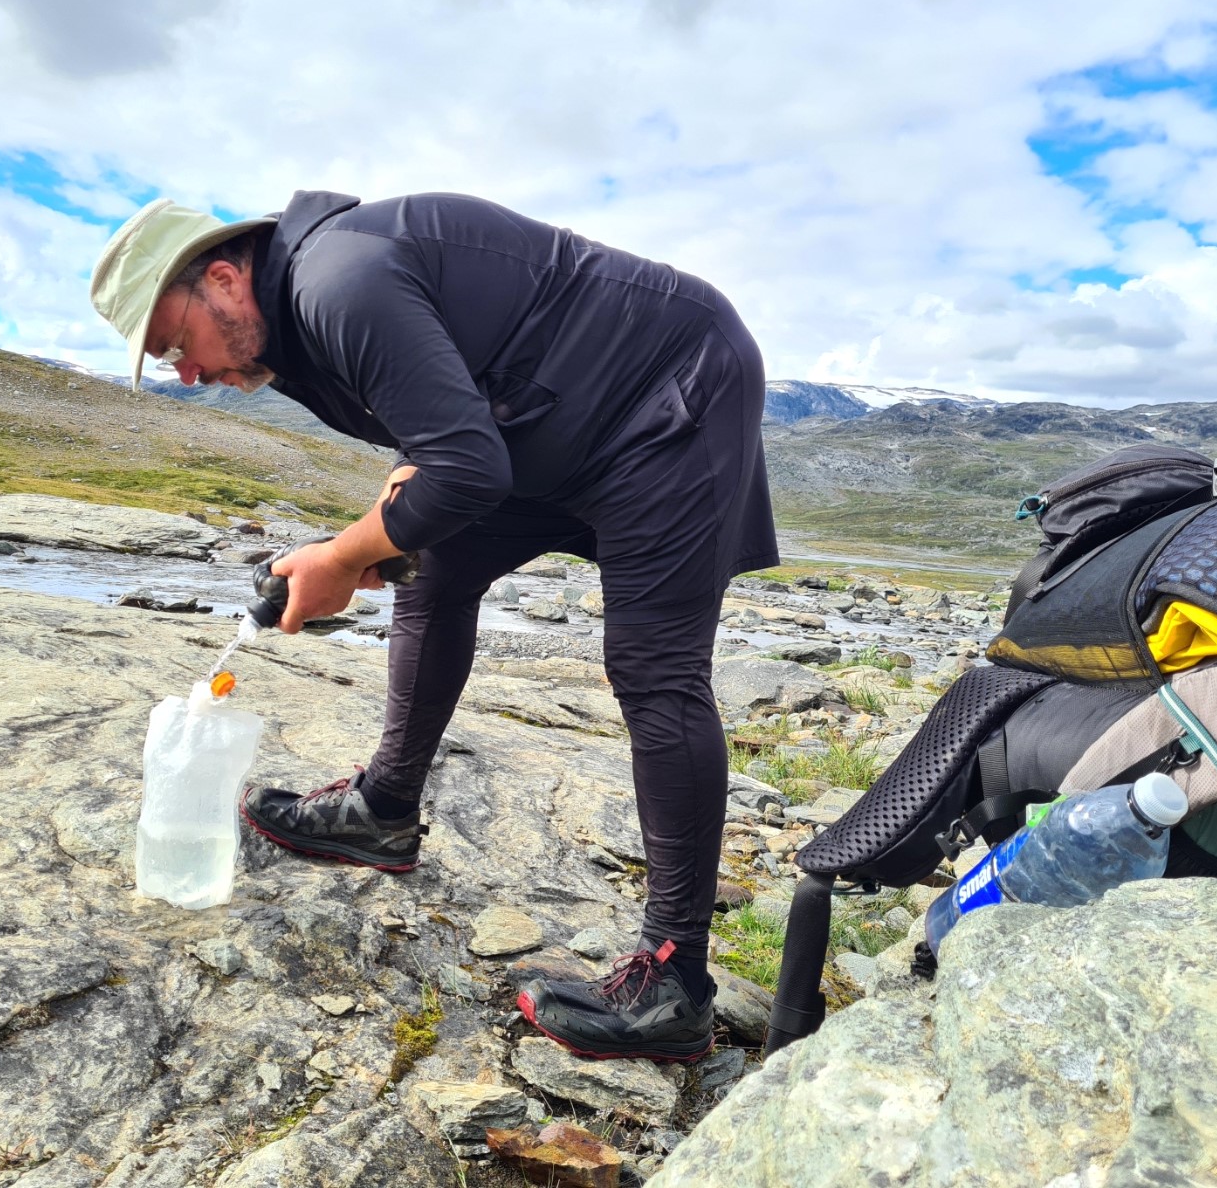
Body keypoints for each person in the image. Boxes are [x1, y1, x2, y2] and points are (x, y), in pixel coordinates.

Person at [91, 190, 777, 1062]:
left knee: (653, 669)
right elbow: (438, 439)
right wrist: (370, 538)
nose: (187, 374)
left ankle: (673, 981)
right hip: (548, 424)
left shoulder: (340, 280)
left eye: (173, 343)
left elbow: (463, 467)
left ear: (223, 277)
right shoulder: (288, 335)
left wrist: (342, 557)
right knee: (432, 572)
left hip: (669, 394)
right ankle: (383, 808)